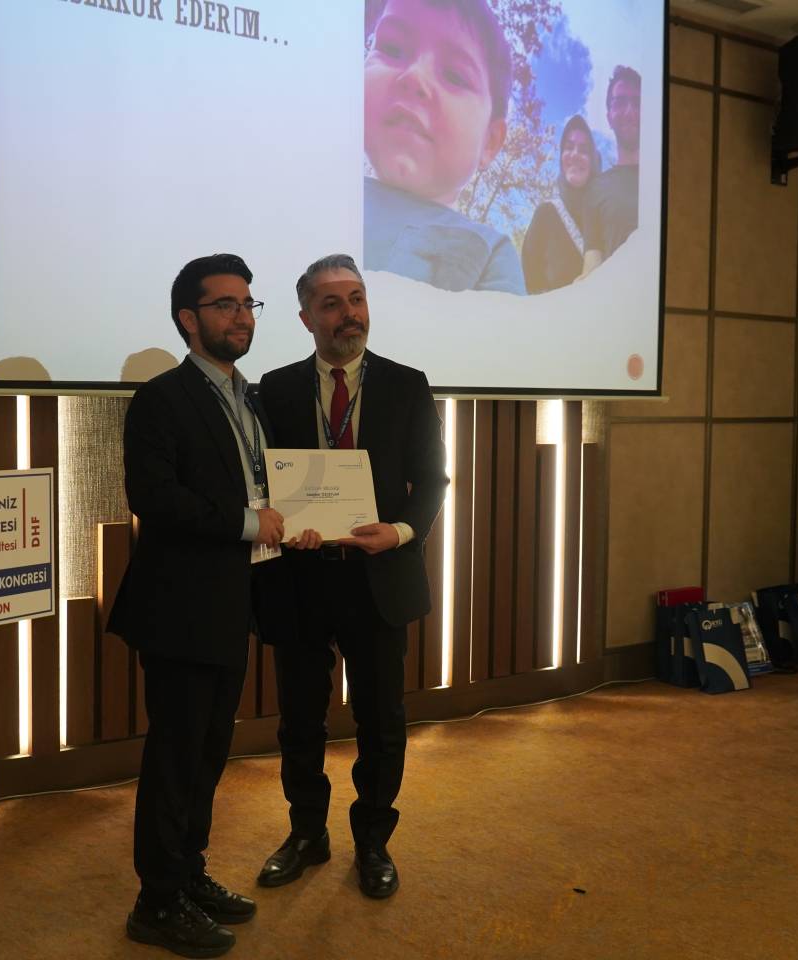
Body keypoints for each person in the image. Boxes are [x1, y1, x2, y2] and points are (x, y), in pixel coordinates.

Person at [108, 253, 291, 957]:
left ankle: (187, 874)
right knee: (176, 759)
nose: (241, 316)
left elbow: (264, 483)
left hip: (231, 602)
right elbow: (154, 499)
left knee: (209, 753)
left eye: (248, 304)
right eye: (225, 305)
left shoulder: (252, 398)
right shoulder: (163, 398)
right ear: (189, 319)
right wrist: (249, 523)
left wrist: (296, 519)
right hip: (180, 608)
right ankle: (155, 903)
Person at [256, 253, 449, 899]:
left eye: (357, 299)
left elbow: (432, 480)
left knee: (381, 719)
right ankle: (307, 833)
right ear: (306, 317)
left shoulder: (407, 384)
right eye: (332, 303)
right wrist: (282, 522)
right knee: (300, 720)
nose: (349, 314)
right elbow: (264, 479)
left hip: (378, 575)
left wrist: (401, 531)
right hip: (301, 576)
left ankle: (373, 840)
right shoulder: (275, 388)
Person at [362, 0, 526, 294]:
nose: (415, 76)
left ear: (490, 141)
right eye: (392, 49)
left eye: (454, 76)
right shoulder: (320, 185)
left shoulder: (489, 252)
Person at [521, 114, 602, 293]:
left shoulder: (606, 215)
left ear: (593, 161)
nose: (575, 154)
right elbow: (529, 285)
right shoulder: (546, 214)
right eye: (569, 147)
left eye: (584, 150)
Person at [583, 64, 641, 273]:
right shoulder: (597, 187)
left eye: (637, 103)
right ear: (609, 116)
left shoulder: (667, 179)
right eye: (620, 102)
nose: (630, 111)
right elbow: (592, 260)